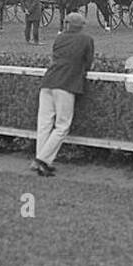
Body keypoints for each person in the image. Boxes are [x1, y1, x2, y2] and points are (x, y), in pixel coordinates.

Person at [32, 11, 95, 176]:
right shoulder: (86, 39)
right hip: (66, 85)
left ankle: (41, 160)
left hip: (48, 82)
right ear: (81, 26)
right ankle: (42, 160)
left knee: (44, 124)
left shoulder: (59, 38)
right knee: (62, 126)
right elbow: (88, 63)